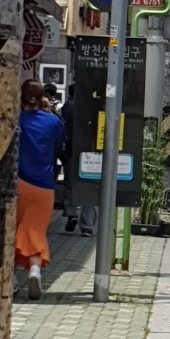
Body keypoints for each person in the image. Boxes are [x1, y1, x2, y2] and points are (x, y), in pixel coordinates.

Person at [16, 79, 66, 300]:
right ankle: (35, 271)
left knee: (12, 230)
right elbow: (59, 146)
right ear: (44, 96)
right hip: (44, 185)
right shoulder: (54, 122)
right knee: (35, 229)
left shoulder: (16, 120)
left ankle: (9, 280)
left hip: (17, 182)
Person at [59, 84, 97, 237]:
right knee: (89, 188)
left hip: (71, 151)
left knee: (70, 185)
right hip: (90, 152)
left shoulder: (67, 107)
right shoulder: (92, 107)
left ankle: (71, 213)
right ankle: (86, 225)